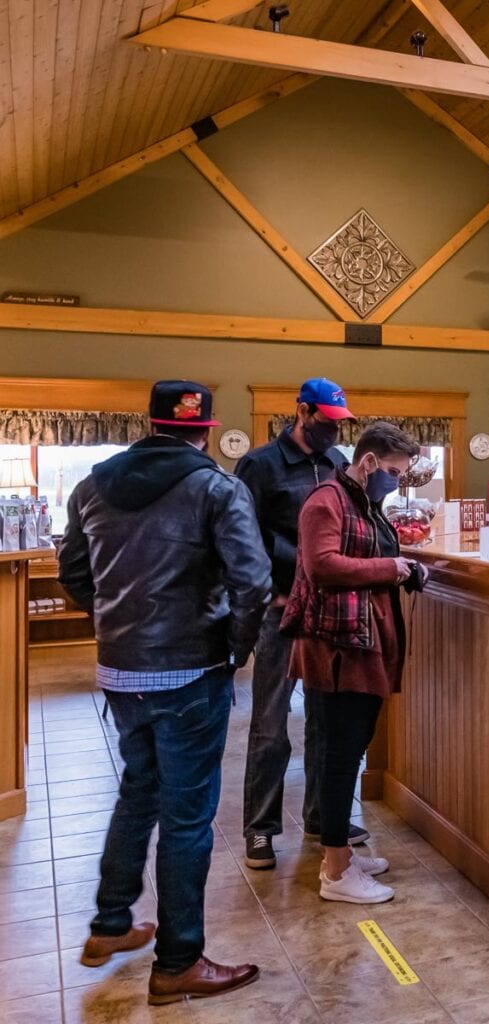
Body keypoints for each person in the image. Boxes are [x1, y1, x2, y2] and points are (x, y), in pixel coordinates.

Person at [58, 380, 271, 1005]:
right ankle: (178, 960)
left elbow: (76, 573)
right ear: (206, 430)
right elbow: (253, 584)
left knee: (138, 790)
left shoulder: (92, 485)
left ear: (148, 424)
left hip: (120, 672)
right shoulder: (216, 487)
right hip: (189, 670)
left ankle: (110, 925)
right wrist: (234, 650)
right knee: (187, 818)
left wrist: (114, 628)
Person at [281, 421, 427, 904]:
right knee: (340, 753)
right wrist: (389, 568)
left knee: (350, 745)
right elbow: (322, 564)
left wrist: (403, 567)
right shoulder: (325, 501)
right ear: (366, 462)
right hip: (337, 648)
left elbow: (369, 552)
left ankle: (340, 850)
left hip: (360, 642)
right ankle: (337, 871)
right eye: (391, 471)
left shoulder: (362, 500)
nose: (395, 480)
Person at [235, 377, 371, 871]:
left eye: (340, 425)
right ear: (301, 412)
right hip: (279, 609)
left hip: (327, 610)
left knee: (324, 722)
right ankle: (260, 829)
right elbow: (241, 536)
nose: (334, 433)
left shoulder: (337, 465)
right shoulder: (259, 465)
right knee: (271, 725)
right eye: (326, 423)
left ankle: (321, 818)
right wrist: (266, 591)